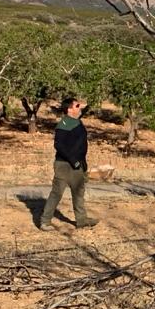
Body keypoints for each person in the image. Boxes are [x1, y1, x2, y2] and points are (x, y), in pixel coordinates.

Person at [39, 95, 96, 230]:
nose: (80, 107)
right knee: (57, 193)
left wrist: (82, 164)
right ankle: (45, 222)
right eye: (77, 105)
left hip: (77, 165)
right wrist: (73, 160)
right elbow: (59, 145)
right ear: (69, 109)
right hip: (64, 165)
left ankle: (82, 220)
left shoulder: (76, 122)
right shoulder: (64, 124)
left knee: (79, 193)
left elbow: (80, 146)